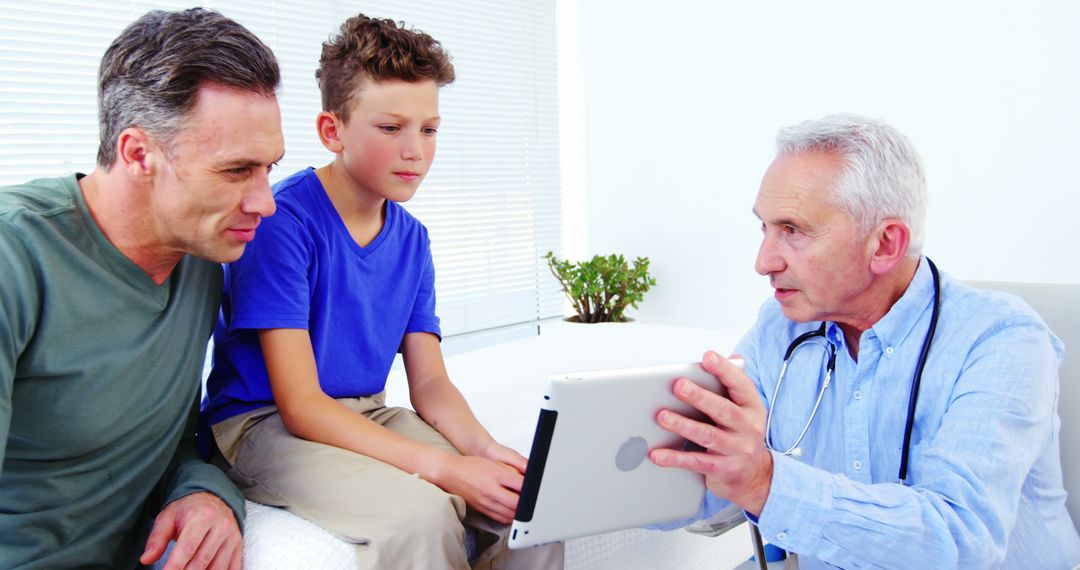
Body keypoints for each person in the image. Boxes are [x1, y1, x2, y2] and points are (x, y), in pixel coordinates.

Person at [201, 14, 563, 570]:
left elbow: (432, 383)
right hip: (262, 424)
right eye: (391, 128)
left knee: (527, 505)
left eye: (429, 129)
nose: (415, 151)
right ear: (332, 131)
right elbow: (300, 406)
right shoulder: (282, 221)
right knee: (420, 517)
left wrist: (486, 452)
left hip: (366, 412)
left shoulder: (412, 240)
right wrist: (442, 469)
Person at [650, 114, 1080, 568]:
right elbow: (717, 478)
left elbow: (960, 541)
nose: (764, 261)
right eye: (765, 228)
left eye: (792, 230)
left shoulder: (1003, 341)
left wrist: (765, 482)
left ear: (885, 245)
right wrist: (610, 474)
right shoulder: (781, 329)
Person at [0, 8, 283, 569]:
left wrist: (204, 491)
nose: (265, 203)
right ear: (138, 154)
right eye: (235, 171)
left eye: (269, 168)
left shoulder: (200, 258)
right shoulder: (16, 259)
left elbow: (166, 440)